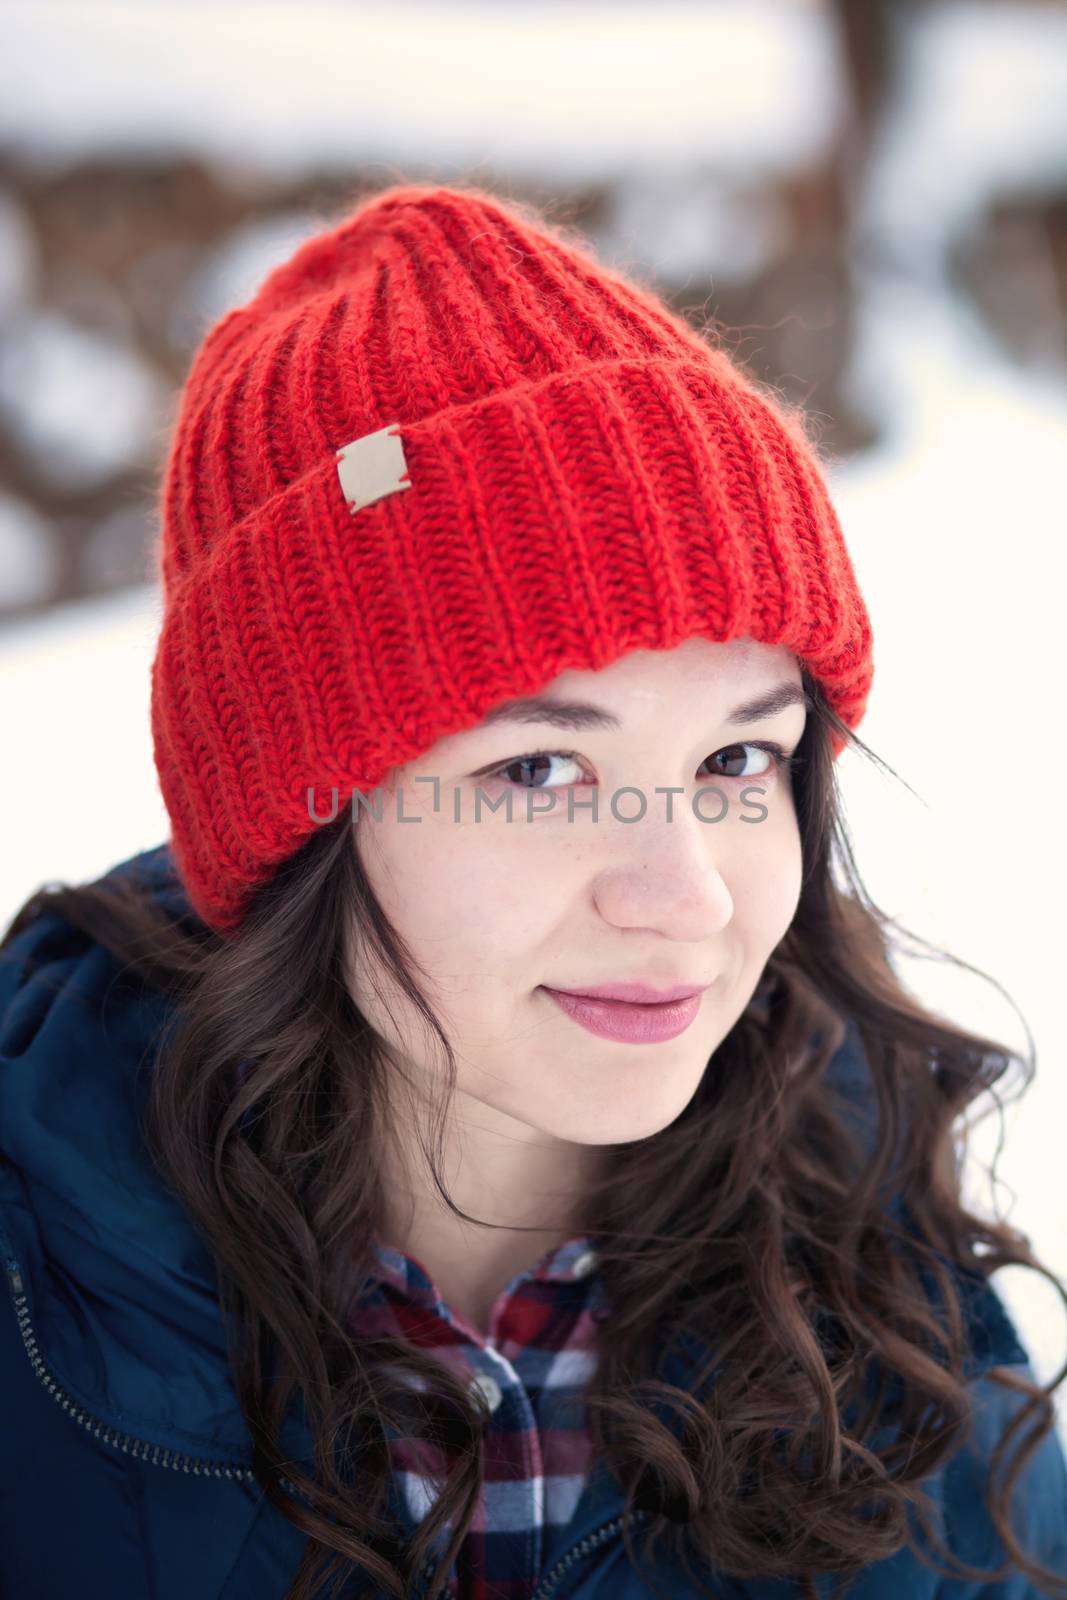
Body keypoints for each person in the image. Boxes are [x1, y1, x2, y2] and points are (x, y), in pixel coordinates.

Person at [1, 181, 1065, 1600]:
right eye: (541, 774)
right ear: (299, 815)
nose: (683, 895)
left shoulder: (880, 1296)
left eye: (738, 757)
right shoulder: (37, 1314)